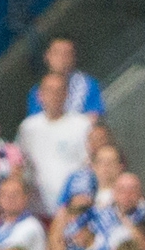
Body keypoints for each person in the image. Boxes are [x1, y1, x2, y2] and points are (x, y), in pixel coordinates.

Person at [16, 73, 93, 216]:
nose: (54, 95)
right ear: (40, 95)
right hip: (39, 211)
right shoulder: (27, 128)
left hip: (74, 209)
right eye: (49, 90)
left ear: (67, 94)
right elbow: (21, 166)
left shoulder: (82, 124)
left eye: (59, 91)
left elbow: (89, 164)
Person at [25, 38, 103, 118]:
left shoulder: (88, 84)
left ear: (74, 58)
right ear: (47, 56)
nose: (61, 58)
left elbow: (95, 116)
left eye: (67, 54)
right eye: (57, 53)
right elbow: (36, 122)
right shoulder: (37, 92)